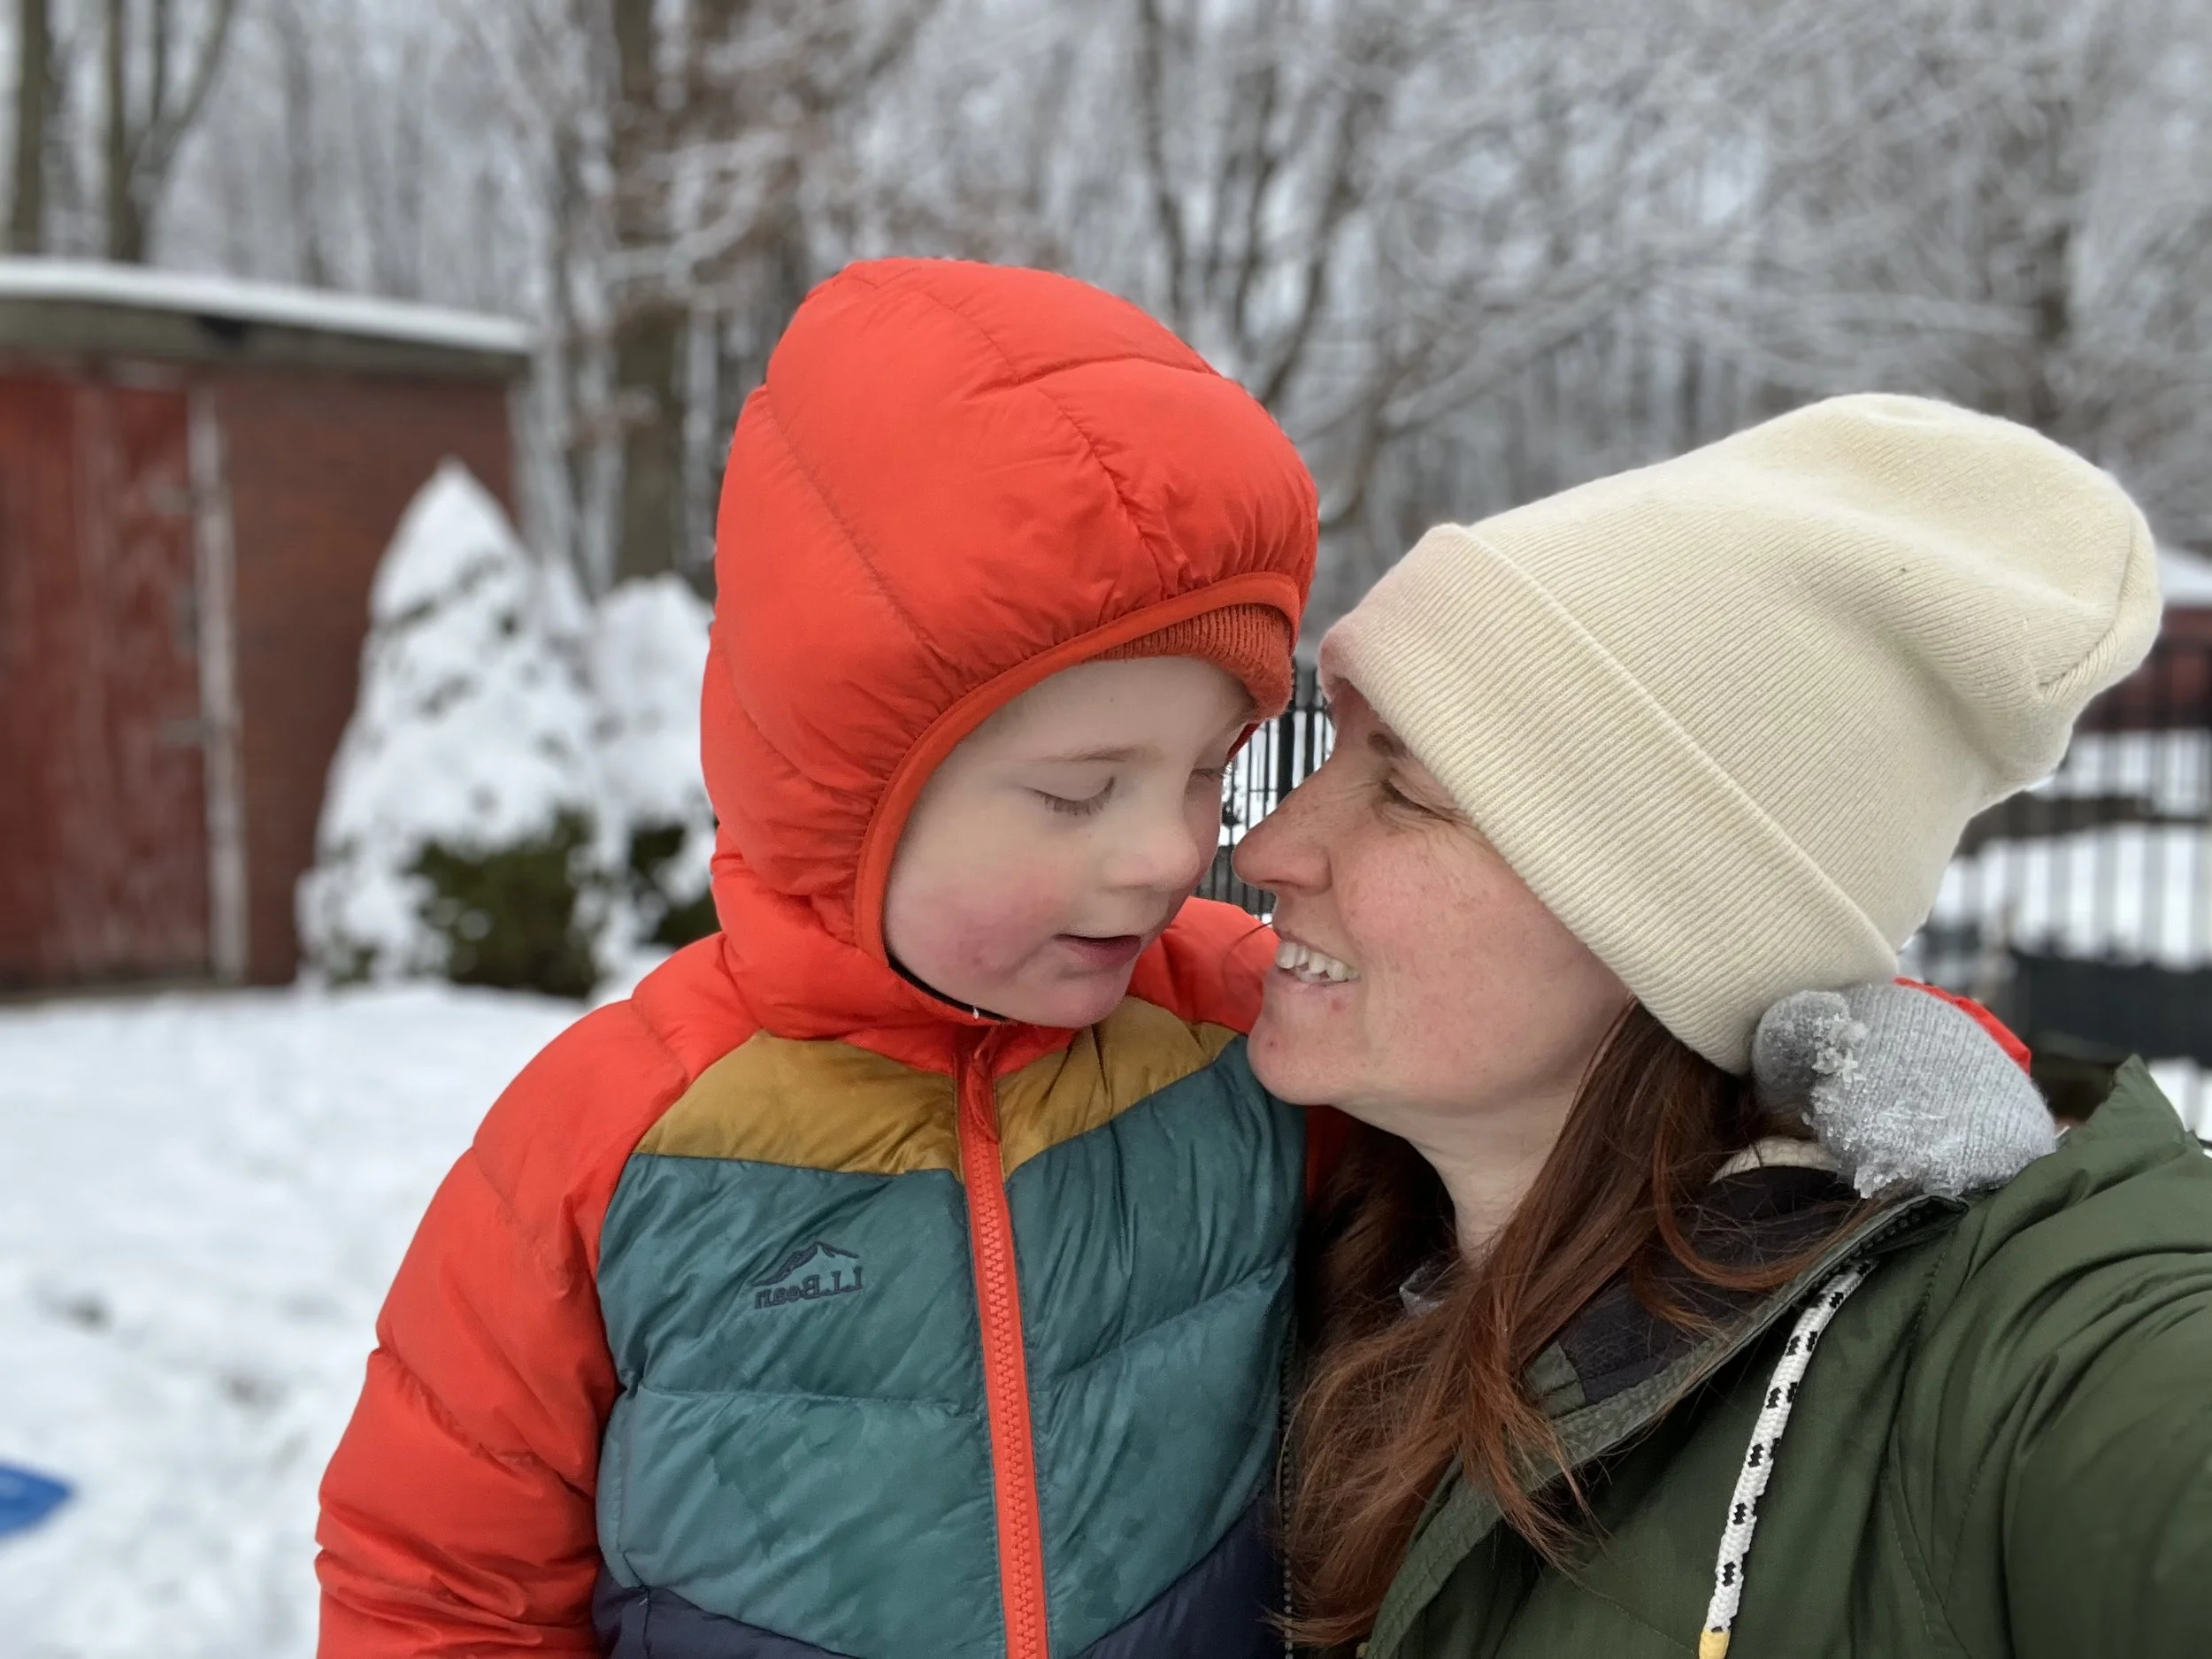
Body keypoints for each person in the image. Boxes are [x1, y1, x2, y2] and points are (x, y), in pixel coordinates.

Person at [315, 258, 1318, 1658]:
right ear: (846, 792)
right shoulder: (612, 1143)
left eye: (1205, 770)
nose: (1167, 850)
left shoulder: (1244, 1032)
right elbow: (434, 1587)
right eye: (1078, 791)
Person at [1234, 394, 2212, 1657]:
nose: (1267, 845)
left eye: (1407, 790)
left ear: (1660, 923)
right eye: (1329, 746)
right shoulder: (1250, 1233)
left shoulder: (1992, 1367)